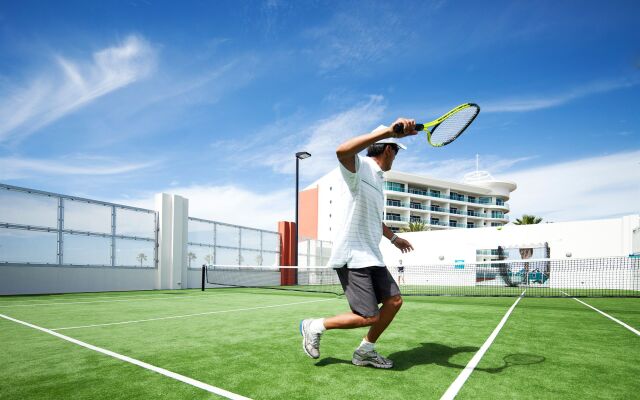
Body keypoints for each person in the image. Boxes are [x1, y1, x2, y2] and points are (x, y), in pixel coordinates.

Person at [300, 119, 417, 369]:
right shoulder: (360, 167)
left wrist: (394, 238)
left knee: (394, 301)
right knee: (368, 316)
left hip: (372, 255)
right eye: (396, 152)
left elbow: (374, 219)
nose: (396, 158)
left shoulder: (378, 180)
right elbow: (341, 151)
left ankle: (365, 350)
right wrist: (387, 131)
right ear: (389, 149)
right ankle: (314, 325)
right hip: (353, 256)